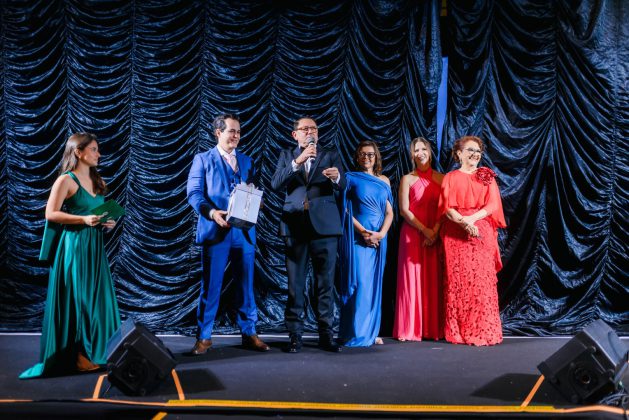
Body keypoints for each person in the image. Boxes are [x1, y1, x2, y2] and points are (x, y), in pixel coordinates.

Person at [20, 132, 121, 378]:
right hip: (74, 247)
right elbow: (51, 214)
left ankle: (97, 352)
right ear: (78, 152)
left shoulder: (98, 180)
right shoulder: (65, 180)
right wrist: (83, 219)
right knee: (81, 300)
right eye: (94, 149)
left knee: (99, 300)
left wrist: (107, 222)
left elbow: (96, 213)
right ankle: (80, 356)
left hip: (94, 247)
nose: (99, 154)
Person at [187, 114, 269, 354]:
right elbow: (194, 193)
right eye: (231, 131)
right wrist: (212, 213)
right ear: (218, 133)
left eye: (238, 132)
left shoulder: (247, 161)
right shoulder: (202, 159)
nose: (236, 136)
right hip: (216, 231)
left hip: (243, 233)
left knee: (246, 286)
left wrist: (257, 202)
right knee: (211, 286)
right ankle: (204, 337)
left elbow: (252, 191)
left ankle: (249, 333)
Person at [271, 116, 345, 353]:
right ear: (295, 134)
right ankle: (295, 335)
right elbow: (275, 184)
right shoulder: (287, 155)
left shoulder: (330, 154)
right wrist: (297, 161)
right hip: (295, 227)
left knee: (325, 284)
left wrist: (337, 178)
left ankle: (326, 334)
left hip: (325, 227)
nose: (311, 132)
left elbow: (343, 185)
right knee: (295, 285)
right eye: (305, 129)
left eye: (314, 128)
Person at [438, 135, 506, 346]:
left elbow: (492, 205)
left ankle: (483, 330)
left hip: (481, 230)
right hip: (455, 233)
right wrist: (463, 223)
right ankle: (459, 330)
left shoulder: (486, 176)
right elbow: (447, 207)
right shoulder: (450, 177)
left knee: (481, 282)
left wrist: (471, 219)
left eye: (478, 151)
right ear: (459, 154)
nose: (475, 154)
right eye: (470, 150)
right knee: (459, 282)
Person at [338, 141, 393, 347]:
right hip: (358, 238)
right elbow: (344, 209)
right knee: (359, 283)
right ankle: (354, 332)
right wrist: (363, 232)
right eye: (362, 154)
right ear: (357, 157)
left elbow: (390, 212)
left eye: (370, 154)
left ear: (376, 156)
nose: (366, 157)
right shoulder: (350, 178)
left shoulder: (384, 180)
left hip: (379, 239)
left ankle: (370, 331)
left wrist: (381, 234)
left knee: (373, 286)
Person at [393, 137, 444, 341]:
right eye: (416, 150)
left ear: (429, 152)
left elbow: (445, 208)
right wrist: (425, 230)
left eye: (423, 149)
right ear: (411, 155)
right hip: (412, 234)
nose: (420, 153)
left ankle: (432, 329)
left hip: (435, 235)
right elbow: (404, 210)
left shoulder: (442, 178)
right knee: (410, 280)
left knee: (433, 279)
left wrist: (435, 231)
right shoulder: (407, 179)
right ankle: (408, 329)